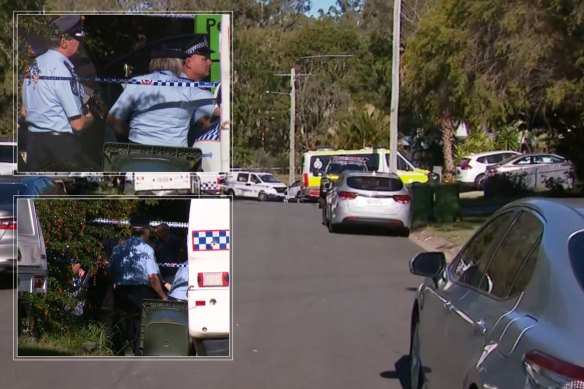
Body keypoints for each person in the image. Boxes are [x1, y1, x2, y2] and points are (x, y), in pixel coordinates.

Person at [21, 15, 96, 172]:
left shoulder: (34, 65)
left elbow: (24, 111)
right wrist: (91, 118)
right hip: (60, 149)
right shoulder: (62, 70)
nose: (80, 43)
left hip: (34, 146)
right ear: (64, 42)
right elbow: (78, 125)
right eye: (77, 39)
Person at [106, 43, 214, 147]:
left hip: (137, 154)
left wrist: (135, 133)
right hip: (175, 159)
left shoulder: (137, 82)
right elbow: (221, 109)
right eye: (181, 61)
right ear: (176, 63)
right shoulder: (189, 88)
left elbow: (113, 121)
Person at [107, 216, 167, 356]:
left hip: (121, 290)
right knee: (141, 323)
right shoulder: (147, 250)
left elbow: (109, 273)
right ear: (145, 231)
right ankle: (138, 354)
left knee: (121, 322)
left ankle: (118, 352)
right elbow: (152, 278)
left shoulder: (118, 247)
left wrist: (116, 284)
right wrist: (162, 296)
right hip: (141, 291)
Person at [179, 35, 221, 146]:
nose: (210, 62)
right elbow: (223, 112)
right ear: (188, 62)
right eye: (205, 59)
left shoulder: (190, 86)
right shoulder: (188, 89)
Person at [154, 223, 186, 288]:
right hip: (162, 275)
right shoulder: (158, 243)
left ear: (166, 231)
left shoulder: (177, 241)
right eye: (157, 232)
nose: (158, 234)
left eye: (159, 232)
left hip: (174, 274)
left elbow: (184, 254)